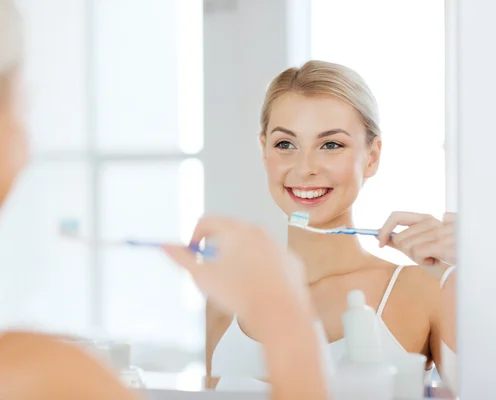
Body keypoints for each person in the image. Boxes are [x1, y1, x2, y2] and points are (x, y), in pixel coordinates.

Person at [0, 1, 328, 399]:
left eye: (330, 144)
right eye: (20, 100)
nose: (307, 167)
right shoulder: (43, 376)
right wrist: (286, 321)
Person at [204, 60, 458, 390]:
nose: (305, 167)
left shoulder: (424, 289)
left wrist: (470, 272)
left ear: (372, 156)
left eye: (331, 145)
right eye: (285, 144)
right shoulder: (225, 301)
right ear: (264, 150)